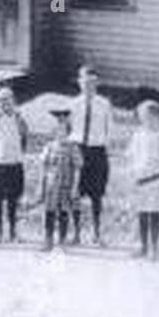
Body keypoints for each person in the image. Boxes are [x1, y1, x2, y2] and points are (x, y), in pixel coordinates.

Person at [68, 65, 113, 246]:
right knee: (76, 193)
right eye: (85, 82)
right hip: (78, 149)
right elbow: (69, 129)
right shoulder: (73, 104)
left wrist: (104, 149)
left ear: (97, 83)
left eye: (92, 82)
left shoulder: (104, 104)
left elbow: (109, 129)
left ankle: (96, 232)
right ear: (79, 82)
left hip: (97, 150)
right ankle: (76, 233)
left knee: (97, 194)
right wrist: (72, 149)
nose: (88, 86)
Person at [127, 99, 159, 260]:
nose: (147, 120)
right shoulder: (138, 135)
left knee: (154, 213)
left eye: (150, 117)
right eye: (143, 117)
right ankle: (143, 246)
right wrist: (133, 175)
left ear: (158, 116)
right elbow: (132, 156)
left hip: (158, 179)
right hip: (141, 179)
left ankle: (154, 246)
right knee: (142, 213)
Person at [0, 86, 29, 243]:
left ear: (13, 100)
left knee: (13, 200)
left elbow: (24, 139)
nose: (3, 103)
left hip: (15, 164)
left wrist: (18, 156)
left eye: (6, 99)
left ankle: (13, 232)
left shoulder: (20, 119)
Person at [40, 110, 83, 251]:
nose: (60, 133)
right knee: (49, 212)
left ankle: (62, 241)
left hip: (66, 185)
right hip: (51, 185)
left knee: (64, 212)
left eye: (63, 130)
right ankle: (48, 241)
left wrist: (75, 187)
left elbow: (77, 169)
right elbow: (44, 167)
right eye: (58, 130)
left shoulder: (73, 148)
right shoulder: (49, 147)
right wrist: (41, 185)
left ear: (68, 132)